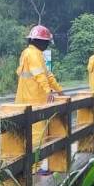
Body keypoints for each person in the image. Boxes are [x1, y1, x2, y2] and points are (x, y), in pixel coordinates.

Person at [16, 24, 63, 175]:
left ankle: (32, 167)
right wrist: (49, 90)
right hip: (34, 100)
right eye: (47, 42)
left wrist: (59, 90)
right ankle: (34, 169)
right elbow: (40, 76)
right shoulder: (34, 54)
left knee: (31, 134)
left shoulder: (30, 53)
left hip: (28, 99)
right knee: (37, 135)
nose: (48, 44)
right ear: (41, 42)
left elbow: (48, 75)